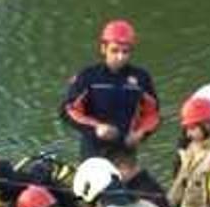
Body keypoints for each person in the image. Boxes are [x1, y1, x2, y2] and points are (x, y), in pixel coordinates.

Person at [60, 19, 159, 161]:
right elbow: (68, 110)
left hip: (126, 149)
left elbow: (153, 114)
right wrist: (97, 128)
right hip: (94, 149)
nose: (120, 57)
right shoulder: (88, 76)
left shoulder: (141, 77)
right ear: (103, 48)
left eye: (125, 52)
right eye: (114, 51)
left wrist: (140, 133)